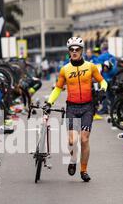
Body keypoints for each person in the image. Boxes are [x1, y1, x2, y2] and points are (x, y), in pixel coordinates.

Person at [44, 37, 108, 182]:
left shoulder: (90, 67)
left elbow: (103, 81)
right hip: (72, 107)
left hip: (87, 107)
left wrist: (103, 90)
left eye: (77, 49)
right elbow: (58, 89)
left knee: (84, 139)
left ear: (82, 51)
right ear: (69, 51)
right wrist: (49, 102)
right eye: (71, 49)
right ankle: (73, 160)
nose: (74, 52)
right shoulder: (65, 69)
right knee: (72, 140)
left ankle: (83, 170)